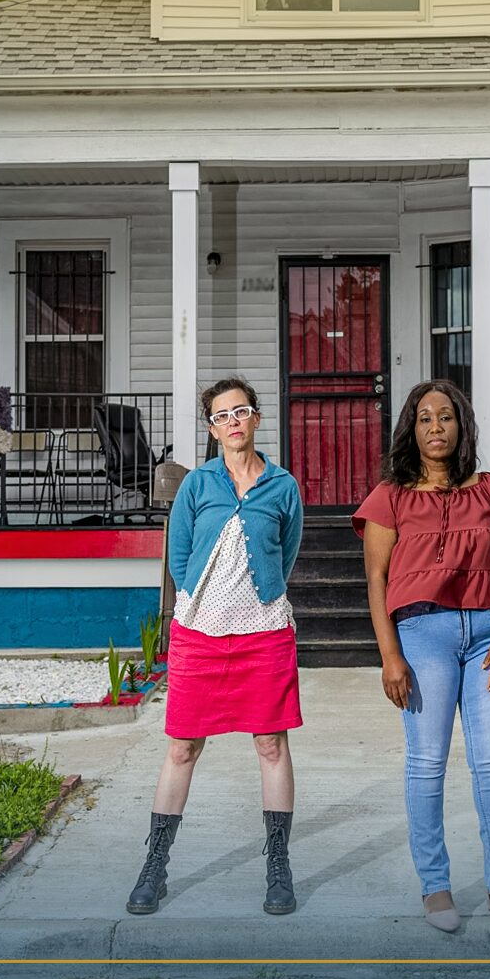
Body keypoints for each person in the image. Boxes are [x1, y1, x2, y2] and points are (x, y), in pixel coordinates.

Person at [353, 379, 490, 936]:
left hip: (487, 636)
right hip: (423, 634)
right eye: (425, 417)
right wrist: (390, 655)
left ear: (462, 426)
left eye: (447, 417)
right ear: (412, 427)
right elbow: (377, 579)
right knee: (427, 764)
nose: (436, 426)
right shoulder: (390, 497)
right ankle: (435, 887)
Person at [126, 377, 305, 917]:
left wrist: (254, 600)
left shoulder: (282, 486)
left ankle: (278, 867)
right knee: (182, 746)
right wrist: (207, 609)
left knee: (271, 745)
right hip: (199, 634)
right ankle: (154, 867)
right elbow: (178, 560)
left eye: (241, 411)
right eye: (222, 415)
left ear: (255, 419)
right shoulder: (197, 486)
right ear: (211, 427)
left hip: (265, 632)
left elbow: (286, 552)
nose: (233, 422)